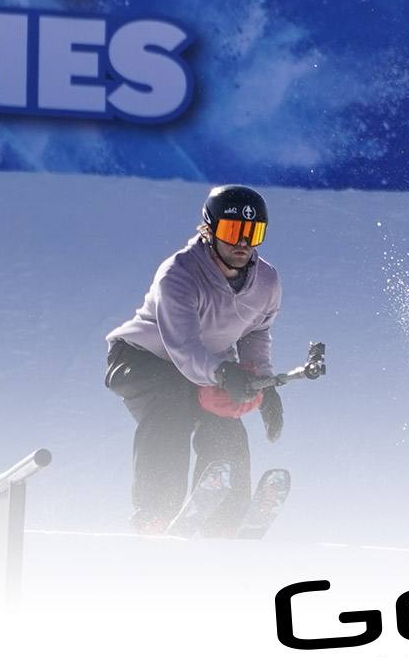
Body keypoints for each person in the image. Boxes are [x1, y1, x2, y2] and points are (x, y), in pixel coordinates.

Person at [105, 184, 285, 535]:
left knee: (225, 425)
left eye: (254, 233)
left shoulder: (267, 281)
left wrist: (262, 381)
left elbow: (255, 332)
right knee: (172, 401)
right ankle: (154, 512)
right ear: (209, 229)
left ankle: (226, 519)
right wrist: (223, 372)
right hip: (142, 360)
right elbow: (183, 346)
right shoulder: (180, 274)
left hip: (210, 369)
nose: (243, 243)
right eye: (233, 231)